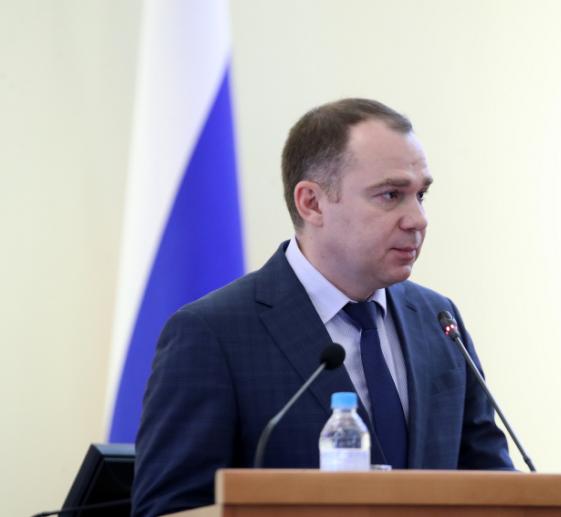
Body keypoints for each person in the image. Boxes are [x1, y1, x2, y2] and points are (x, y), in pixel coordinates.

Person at [132, 98, 513, 517]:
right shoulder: (213, 334)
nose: (417, 219)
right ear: (311, 203)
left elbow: (493, 486)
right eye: (391, 195)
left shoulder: (438, 321)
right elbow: (169, 509)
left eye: (420, 194)